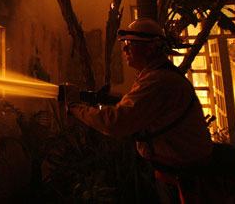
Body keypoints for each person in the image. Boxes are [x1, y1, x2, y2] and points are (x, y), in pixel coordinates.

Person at [67, 18, 219, 204]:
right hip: (179, 174)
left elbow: (115, 123)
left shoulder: (157, 81)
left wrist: (74, 106)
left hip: (183, 180)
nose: (124, 49)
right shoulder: (157, 75)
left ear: (151, 48)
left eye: (130, 44)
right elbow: (139, 107)